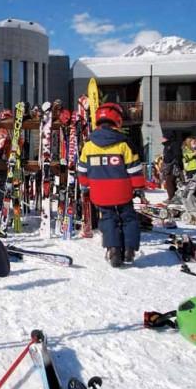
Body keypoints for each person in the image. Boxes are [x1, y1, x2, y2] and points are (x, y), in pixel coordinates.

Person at [77, 103, 145, 268]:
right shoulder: (123, 143)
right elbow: (134, 168)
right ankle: (129, 249)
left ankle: (113, 250)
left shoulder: (89, 144)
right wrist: (138, 186)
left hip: (99, 191)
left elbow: (82, 169)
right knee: (128, 218)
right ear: (118, 120)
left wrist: (85, 183)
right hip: (122, 190)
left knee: (108, 218)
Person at [161, 134, 182, 201]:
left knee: (169, 182)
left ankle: (171, 198)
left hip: (173, 166)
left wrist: (174, 163)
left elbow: (177, 155)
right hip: (168, 166)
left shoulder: (173, 144)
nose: (162, 139)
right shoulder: (166, 146)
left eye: (163, 138)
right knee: (171, 182)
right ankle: (173, 197)